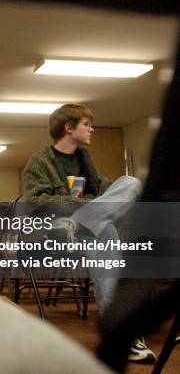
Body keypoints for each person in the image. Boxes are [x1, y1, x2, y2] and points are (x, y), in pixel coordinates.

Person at [22, 103, 156, 364]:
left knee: (131, 184)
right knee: (103, 226)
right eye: (86, 124)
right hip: (55, 230)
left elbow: (111, 191)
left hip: (84, 231)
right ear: (68, 127)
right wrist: (90, 208)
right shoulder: (39, 162)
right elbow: (41, 203)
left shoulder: (86, 161)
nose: (92, 129)